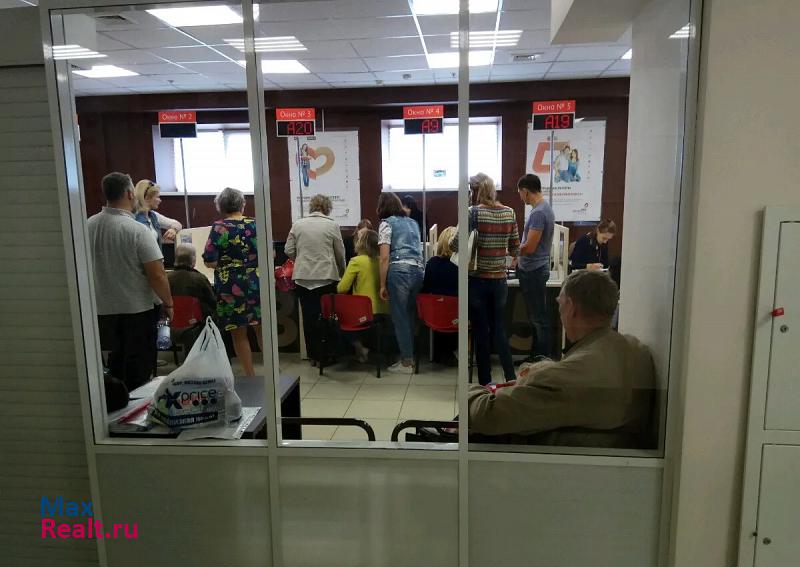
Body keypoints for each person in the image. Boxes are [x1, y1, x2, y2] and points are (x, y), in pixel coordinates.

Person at [468, 270, 655, 447]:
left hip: (561, 462)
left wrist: (470, 391)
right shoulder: (634, 349)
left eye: (560, 303)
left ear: (571, 308)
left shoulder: (565, 378)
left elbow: (487, 415)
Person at [88, 172, 173, 390]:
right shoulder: (137, 230)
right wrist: (168, 303)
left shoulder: (88, 226)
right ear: (129, 193)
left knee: (114, 367)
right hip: (136, 311)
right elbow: (157, 274)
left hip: (100, 310)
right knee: (139, 371)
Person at [452, 173, 519, 385]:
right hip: (500, 281)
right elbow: (515, 248)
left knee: (481, 331)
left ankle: (485, 382)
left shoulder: (473, 212)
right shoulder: (509, 212)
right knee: (499, 330)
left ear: (473, 192)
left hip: (477, 280)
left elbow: (455, 244)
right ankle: (510, 377)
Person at [203, 187, 262, 376]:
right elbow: (271, 253)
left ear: (220, 206)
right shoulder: (256, 224)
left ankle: (250, 375)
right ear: (242, 204)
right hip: (256, 281)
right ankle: (273, 371)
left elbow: (210, 260)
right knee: (262, 329)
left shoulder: (219, 227)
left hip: (230, 284)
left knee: (239, 333)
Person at [285, 194, 346, 366]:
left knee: (309, 318)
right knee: (326, 317)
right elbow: (340, 252)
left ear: (311, 207)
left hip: (303, 278)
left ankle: (313, 355)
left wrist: (301, 259)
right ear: (327, 208)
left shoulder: (298, 225)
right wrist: (342, 270)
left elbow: (288, 249)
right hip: (326, 277)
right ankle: (327, 354)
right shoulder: (332, 225)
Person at [377, 192, 424, 374]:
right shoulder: (413, 223)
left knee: (400, 317)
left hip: (399, 272)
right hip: (418, 271)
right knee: (410, 316)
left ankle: (406, 362)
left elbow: (384, 257)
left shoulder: (386, 223)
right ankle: (409, 357)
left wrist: (382, 284)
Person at [516, 173, 555, 362]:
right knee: (536, 317)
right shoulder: (543, 209)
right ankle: (536, 357)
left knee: (539, 318)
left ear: (525, 191)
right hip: (535, 268)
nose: (520, 198)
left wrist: (512, 250)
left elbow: (530, 247)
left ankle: (541, 359)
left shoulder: (539, 212)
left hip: (534, 271)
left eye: (520, 193)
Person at [337, 229, 386, 362]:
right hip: (383, 311)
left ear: (361, 243)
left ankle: (359, 348)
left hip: (363, 313)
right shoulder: (383, 261)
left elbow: (342, 289)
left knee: (339, 321)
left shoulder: (356, 261)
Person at [167, 244, 217, 353]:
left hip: (169, 327)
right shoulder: (200, 278)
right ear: (193, 260)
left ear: (176, 259)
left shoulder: (167, 278)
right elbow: (213, 302)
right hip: (195, 328)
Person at [421, 226, 459, 365]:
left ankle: (439, 353)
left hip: (434, 317)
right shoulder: (461, 265)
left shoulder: (431, 264)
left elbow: (426, 288)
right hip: (457, 318)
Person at [132, 179, 182, 248]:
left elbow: (177, 224)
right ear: (147, 198)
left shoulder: (153, 215)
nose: (160, 200)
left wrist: (173, 230)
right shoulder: (133, 218)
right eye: (157, 197)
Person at [421, 226, 458, 296]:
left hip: (435, 302)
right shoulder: (460, 265)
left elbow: (425, 288)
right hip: (456, 302)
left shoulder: (432, 263)